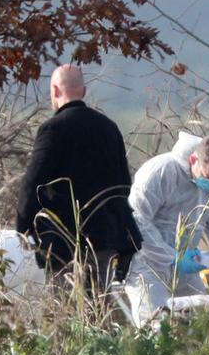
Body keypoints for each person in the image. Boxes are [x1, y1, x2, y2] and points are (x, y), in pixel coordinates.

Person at [15, 64, 142, 289]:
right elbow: (123, 184)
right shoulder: (109, 128)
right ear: (83, 91)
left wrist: (24, 227)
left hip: (64, 242)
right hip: (103, 238)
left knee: (65, 309)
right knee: (96, 304)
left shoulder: (53, 129)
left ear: (55, 91)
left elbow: (33, 182)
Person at [123, 132, 209, 327]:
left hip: (186, 264)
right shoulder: (161, 171)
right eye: (207, 178)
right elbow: (137, 219)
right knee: (156, 327)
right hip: (147, 263)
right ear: (193, 160)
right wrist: (171, 256)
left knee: (200, 324)